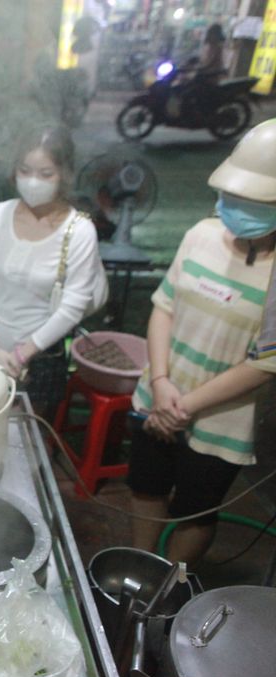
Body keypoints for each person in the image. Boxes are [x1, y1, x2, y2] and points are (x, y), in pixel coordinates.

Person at [128, 119, 276, 565]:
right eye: (231, 196)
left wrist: (185, 407)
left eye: (251, 201)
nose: (234, 207)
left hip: (222, 420)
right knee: (146, 487)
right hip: (159, 394)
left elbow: (266, 362)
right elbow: (164, 307)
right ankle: (139, 568)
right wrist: (161, 383)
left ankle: (172, 581)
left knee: (196, 511)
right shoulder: (201, 235)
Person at [0, 126, 104, 413]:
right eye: (25, 171)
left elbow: (73, 306)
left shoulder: (80, 231)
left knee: (28, 440)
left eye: (46, 174)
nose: (33, 182)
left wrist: (23, 354)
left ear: (65, 174)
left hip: (42, 357)